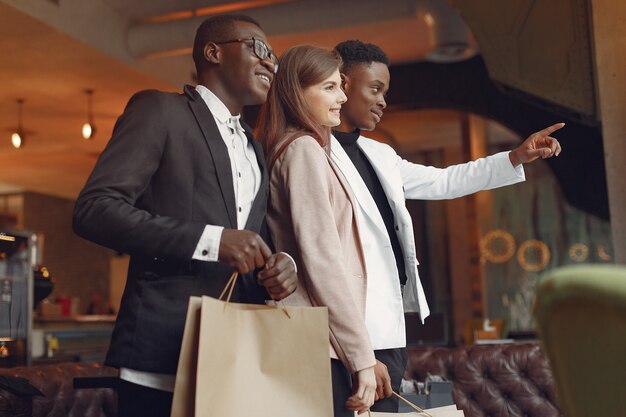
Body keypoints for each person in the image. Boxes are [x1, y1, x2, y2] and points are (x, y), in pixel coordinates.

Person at [73, 15, 297, 417]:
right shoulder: (160, 110)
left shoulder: (256, 148)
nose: (270, 64)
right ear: (213, 52)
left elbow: (253, 237)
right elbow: (94, 209)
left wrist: (281, 265)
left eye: (273, 56)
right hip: (163, 352)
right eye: (258, 49)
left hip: (237, 354)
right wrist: (212, 240)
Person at [331, 40, 563, 412]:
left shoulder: (381, 153)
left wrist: (516, 157)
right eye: (374, 88)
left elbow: (444, 181)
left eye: (386, 92)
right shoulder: (307, 150)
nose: (383, 101)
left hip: (387, 324)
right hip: (340, 327)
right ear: (341, 84)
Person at [257, 45, 376, 416]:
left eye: (339, 86)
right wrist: (362, 358)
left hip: (316, 338)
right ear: (296, 91)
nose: (341, 96)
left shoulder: (301, 148)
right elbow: (322, 260)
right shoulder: (303, 150)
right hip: (317, 342)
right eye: (328, 87)